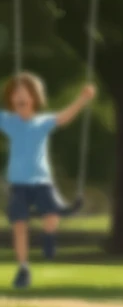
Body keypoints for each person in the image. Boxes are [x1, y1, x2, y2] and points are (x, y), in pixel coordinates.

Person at [3, 73, 96, 288]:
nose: (19, 98)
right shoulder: (8, 121)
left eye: (24, 94)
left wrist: (83, 99)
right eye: (15, 94)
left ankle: (48, 236)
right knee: (19, 225)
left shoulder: (43, 122)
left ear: (34, 98)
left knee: (53, 216)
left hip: (42, 181)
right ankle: (23, 268)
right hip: (18, 184)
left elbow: (64, 116)